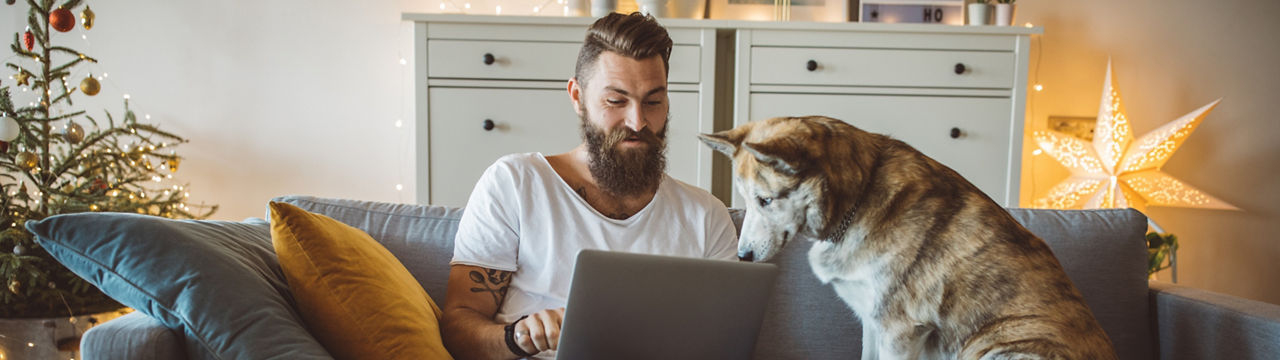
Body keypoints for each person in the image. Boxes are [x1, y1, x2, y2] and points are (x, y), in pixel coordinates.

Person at [441, 12, 739, 359]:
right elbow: (458, 329)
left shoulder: (706, 217)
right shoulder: (515, 183)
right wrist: (518, 336)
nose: (637, 121)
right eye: (616, 101)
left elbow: (725, 344)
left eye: (653, 102)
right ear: (577, 97)